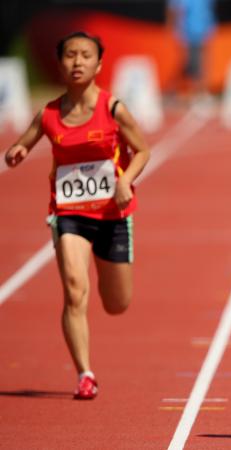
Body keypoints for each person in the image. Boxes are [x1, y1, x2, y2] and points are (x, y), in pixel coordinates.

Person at [4, 31, 150, 399]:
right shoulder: (49, 113)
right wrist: (17, 151)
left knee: (117, 303)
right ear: (61, 62)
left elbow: (143, 150)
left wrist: (126, 181)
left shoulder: (113, 108)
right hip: (69, 213)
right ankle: (85, 373)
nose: (78, 61)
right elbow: (23, 141)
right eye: (70, 55)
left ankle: (107, 274)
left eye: (86, 55)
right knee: (73, 288)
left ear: (99, 64)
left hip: (112, 213)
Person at [166, 0, 216, 101]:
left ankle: (199, 93)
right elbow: (175, 12)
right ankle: (175, 90)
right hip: (187, 34)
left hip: (203, 33)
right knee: (187, 64)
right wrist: (176, 32)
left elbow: (209, 11)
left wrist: (210, 29)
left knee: (201, 64)